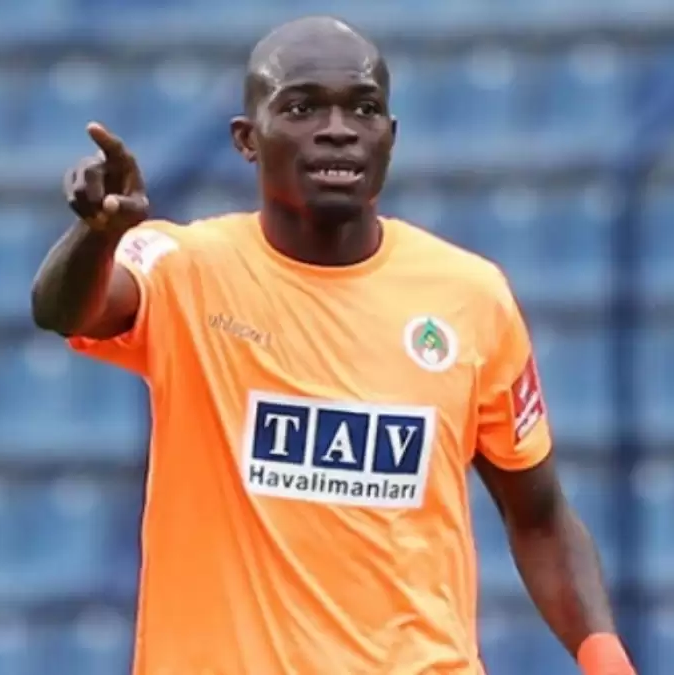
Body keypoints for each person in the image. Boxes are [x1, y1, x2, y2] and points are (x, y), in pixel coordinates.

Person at [31, 15, 636, 675]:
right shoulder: (183, 268)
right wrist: (97, 235)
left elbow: (540, 517)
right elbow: (66, 309)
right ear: (247, 139)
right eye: (302, 107)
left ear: (390, 137)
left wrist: (607, 660)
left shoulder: (471, 295)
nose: (338, 129)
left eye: (364, 109)